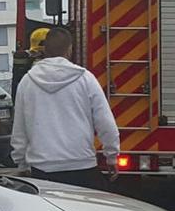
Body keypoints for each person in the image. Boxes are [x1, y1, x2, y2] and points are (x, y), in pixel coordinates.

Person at [11, 27, 120, 189]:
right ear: (69, 49)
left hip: (43, 169)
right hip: (82, 165)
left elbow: (19, 128)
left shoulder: (27, 82)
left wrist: (21, 163)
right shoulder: (85, 79)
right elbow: (105, 123)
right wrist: (111, 156)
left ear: (45, 50)